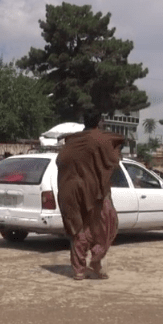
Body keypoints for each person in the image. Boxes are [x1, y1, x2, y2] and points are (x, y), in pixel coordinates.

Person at [56, 114, 126, 281]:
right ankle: (95, 261)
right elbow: (117, 150)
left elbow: (61, 161)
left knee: (78, 230)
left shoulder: (72, 141)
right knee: (108, 224)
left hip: (69, 190)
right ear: (99, 122)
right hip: (93, 190)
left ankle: (80, 270)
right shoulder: (100, 139)